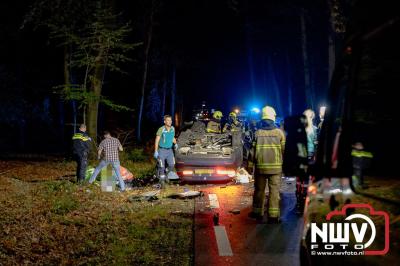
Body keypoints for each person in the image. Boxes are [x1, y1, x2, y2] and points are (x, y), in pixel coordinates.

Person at [248, 106, 285, 223]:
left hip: (260, 168)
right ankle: (273, 216)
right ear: (273, 118)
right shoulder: (280, 133)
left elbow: (252, 152)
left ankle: (257, 213)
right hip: (276, 169)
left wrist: (249, 165)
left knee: (259, 191)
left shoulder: (257, 133)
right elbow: (285, 151)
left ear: (262, 119)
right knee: (274, 192)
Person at [154, 115, 177, 188]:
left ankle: (166, 174)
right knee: (162, 166)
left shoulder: (173, 129)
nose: (170, 121)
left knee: (171, 165)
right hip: (162, 151)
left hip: (170, 150)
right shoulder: (161, 129)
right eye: (168, 120)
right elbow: (157, 140)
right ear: (164, 121)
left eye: (171, 120)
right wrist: (156, 151)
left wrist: (176, 144)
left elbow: (172, 137)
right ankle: (162, 182)